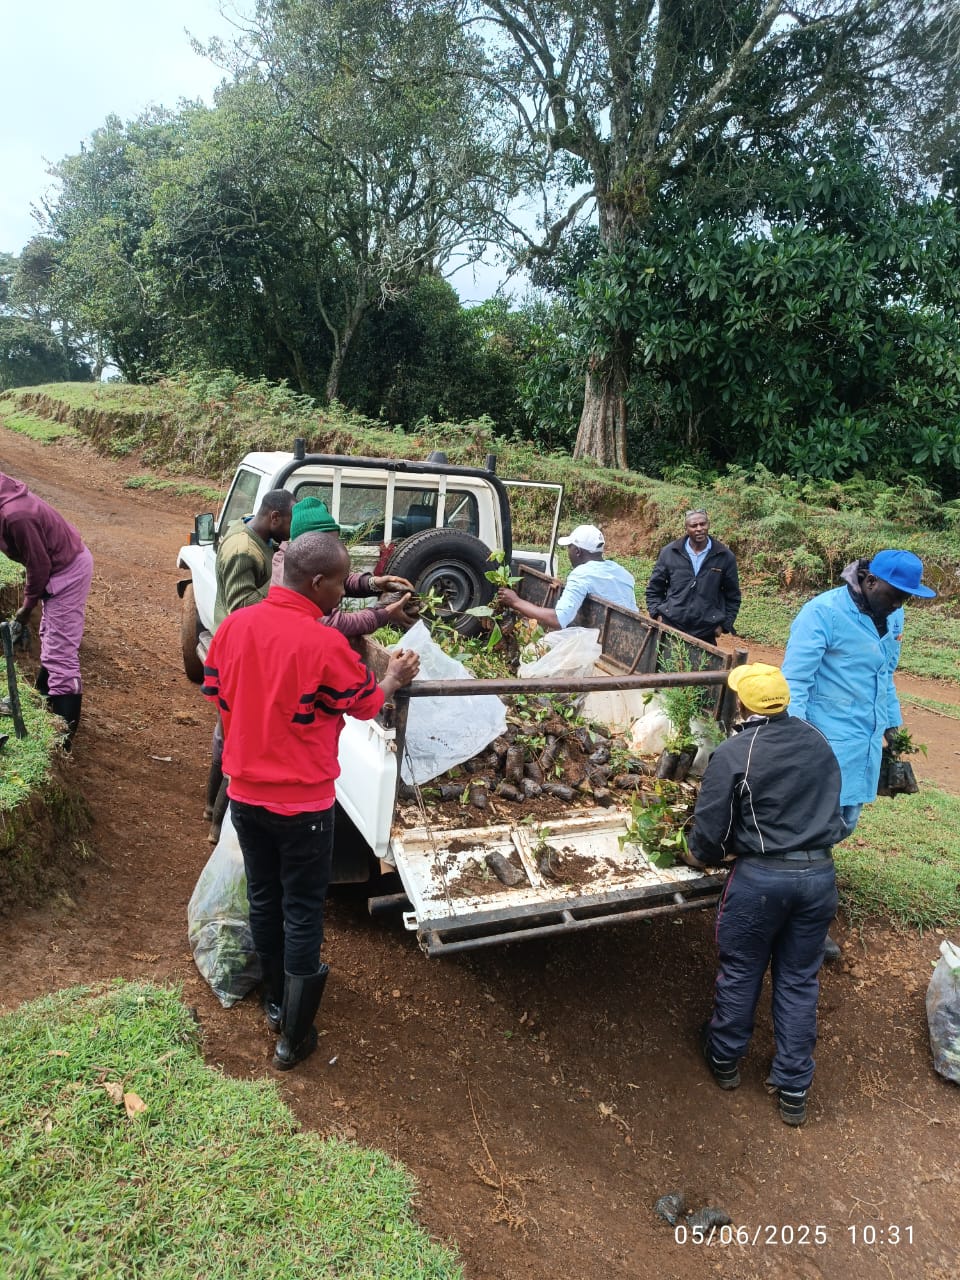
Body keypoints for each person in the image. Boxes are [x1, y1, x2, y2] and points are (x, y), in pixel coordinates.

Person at [201, 531, 420, 1070]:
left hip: (246, 797)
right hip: (305, 808)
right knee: (302, 911)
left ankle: (277, 1003)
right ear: (317, 582)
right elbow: (367, 707)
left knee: (265, 897)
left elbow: (216, 692)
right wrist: (392, 676)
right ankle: (293, 1038)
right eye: (338, 586)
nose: (342, 598)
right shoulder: (323, 645)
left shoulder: (234, 627)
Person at [683, 662, 847, 1127]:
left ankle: (725, 1060)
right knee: (799, 979)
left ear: (743, 703)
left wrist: (701, 852)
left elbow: (709, 834)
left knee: (742, 969)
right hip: (818, 877)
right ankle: (794, 1088)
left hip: (761, 882)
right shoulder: (817, 741)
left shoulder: (738, 752)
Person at [781, 548, 936, 960]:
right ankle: (805, 923)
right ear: (869, 581)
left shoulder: (893, 616)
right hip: (822, 741)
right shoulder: (823, 613)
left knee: (844, 823)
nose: (902, 603)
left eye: (908, 596)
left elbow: (884, 675)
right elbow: (794, 681)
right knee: (814, 832)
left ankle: (807, 894)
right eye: (896, 593)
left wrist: (892, 729)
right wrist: (798, 742)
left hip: (862, 743)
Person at [204, 489, 297, 838]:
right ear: (274, 517)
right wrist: (281, 578)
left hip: (238, 650)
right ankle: (217, 824)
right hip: (234, 655)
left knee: (226, 735)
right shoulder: (244, 550)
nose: (291, 531)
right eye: (288, 522)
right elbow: (242, 607)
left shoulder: (256, 538)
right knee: (236, 738)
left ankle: (212, 808)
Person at [0, 471, 94, 747]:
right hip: (60, 568)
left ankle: (62, 739)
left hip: (67, 571)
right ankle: (43, 702)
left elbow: (38, 566)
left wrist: (26, 609)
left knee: (60, 653)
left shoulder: (17, 516)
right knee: (51, 639)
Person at [270, 496, 417, 635]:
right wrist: (383, 614)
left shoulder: (304, 562)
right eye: (329, 544)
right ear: (308, 543)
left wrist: (373, 583)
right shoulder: (286, 571)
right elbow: (327, 623)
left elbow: (334, 579)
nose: (342, 592)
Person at [496, 523, 636, 629]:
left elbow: (559, 619)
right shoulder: (624, 573)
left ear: (577, 551)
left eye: (569, 547)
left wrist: (515, 601)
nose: (568, 552)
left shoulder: (581, 574)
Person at [645, 509, 740, 645]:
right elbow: (655, 587)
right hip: (671, 626)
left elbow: (733, 596)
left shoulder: (724, 556)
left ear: (708, 525)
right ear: (686, 528)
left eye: (703, 524)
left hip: (705, 631)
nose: (699, 529)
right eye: (694, 526)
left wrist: (723, 625)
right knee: (665, 664)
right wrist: (657, 615)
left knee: (702, 667)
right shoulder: (670, 552)